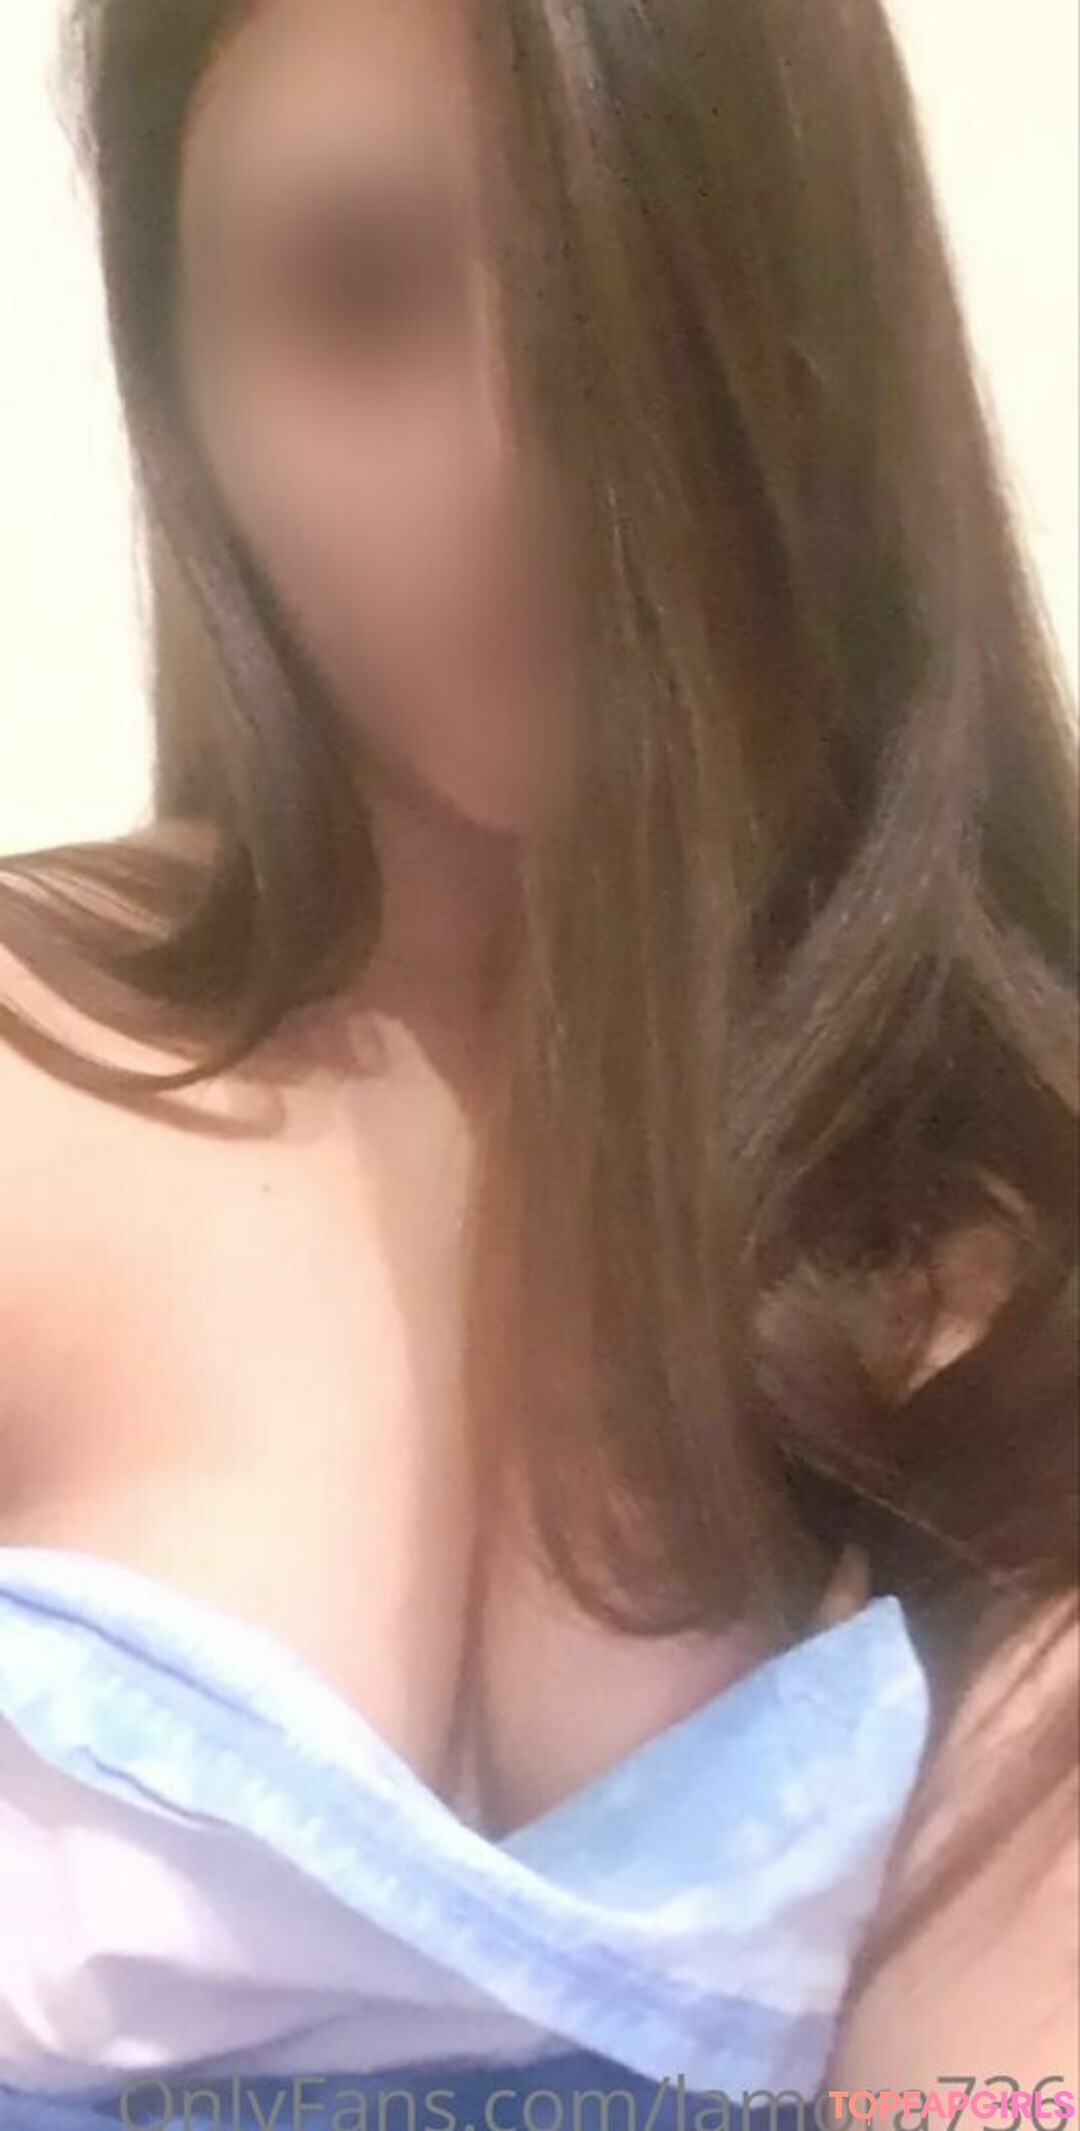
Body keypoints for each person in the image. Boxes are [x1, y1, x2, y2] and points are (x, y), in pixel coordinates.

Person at [0, 0, 1076, 2122]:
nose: (507, 462)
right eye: (351, 294)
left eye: (632, 288)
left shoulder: (998, 1222)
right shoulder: (33, 1071)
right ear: (180, 357)